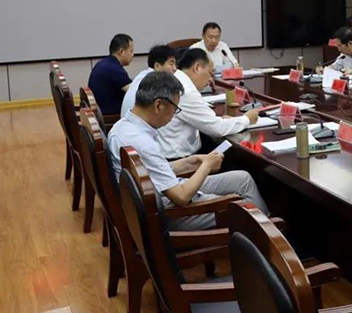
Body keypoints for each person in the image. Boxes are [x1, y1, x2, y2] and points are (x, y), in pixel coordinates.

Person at [107, 71, 268, 231]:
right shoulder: (143, 143)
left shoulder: (121, 128)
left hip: (161, 195)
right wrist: (206, 166)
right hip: (171, 213)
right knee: (242, 206)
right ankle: (266, 236)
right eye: (174, 109)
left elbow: (150, 170)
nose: (173, 116)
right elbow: (181, 197)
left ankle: (265, 227)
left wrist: (186, 163)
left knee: (242, 179)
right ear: (158, 105)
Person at [157, 49, 259, 159]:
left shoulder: (176, 79)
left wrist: (217, 120)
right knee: (240, 159)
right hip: (181, 159)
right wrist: (247, 119)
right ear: (197, 68)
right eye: (210, 73)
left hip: (174, 151)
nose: (211, 79)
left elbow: (207, 119)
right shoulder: (186, 91)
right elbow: (217, 128)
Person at [121, 45, 178, 118]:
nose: (175, 69)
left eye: (175, 64)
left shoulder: (142, 75)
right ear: (157, 66)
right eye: (171, 64)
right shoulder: (156, 82)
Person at [88, 33, 134, 115]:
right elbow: (134, 92)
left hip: (101, 110)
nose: (133, 55)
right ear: (121, 51)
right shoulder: (114, 69)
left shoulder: (106, 63)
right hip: (110, 115)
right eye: (131, 51)